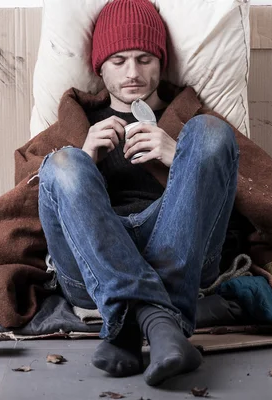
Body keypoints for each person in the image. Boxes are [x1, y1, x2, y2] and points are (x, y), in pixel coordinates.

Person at [37, 0, 240, 386]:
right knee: (62, 163)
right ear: (100, 66)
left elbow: (227, 196)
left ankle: (127, 324)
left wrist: (176, 158)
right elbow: (34, 202)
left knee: (212, 133)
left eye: (145, 59)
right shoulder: (79, 121)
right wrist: (86, 160)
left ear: (161, 62)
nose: (133, 73)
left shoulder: (186, 123)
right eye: (119, 60)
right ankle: (161, 324)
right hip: (92, 260)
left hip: (177, 249)